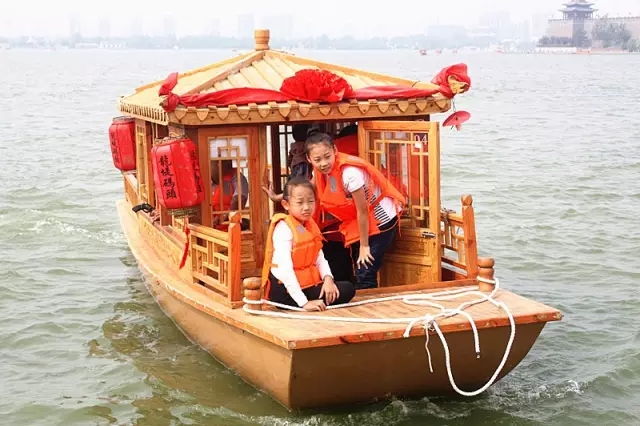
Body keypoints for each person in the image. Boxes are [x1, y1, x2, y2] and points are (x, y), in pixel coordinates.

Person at [263, 131, 405, 290]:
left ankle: (370, 303)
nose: (323, 163)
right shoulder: (318, 171)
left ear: (335, 151)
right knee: (358, 267)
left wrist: (364, 246)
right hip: (360, 221)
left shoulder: (350, 174)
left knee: (365, 270)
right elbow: (308, 187)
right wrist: (278, 197)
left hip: (382, 219)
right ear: (309, 159)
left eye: (327, 157)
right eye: (317, 160)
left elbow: (363, 211)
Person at [261, 177, 356, 311]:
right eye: (300, 202)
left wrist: (328, 279)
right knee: (340, 292)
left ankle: (314, 299)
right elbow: (285, 270)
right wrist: (304, 303)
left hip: (307, 285)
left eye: (311, 201)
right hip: (285, 290)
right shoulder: (283, 228)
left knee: (347, 288)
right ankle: (305, 303)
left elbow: (320, 258)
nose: (306, 207)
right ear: (286, 205)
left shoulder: (310, 225)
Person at [210, 159, 250, 230]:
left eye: (211, 164)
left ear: (219, 164)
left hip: (230, 229)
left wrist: (224, 216)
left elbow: (239, 200)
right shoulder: (209, 181)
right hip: (210, 230)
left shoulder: (238, 178)